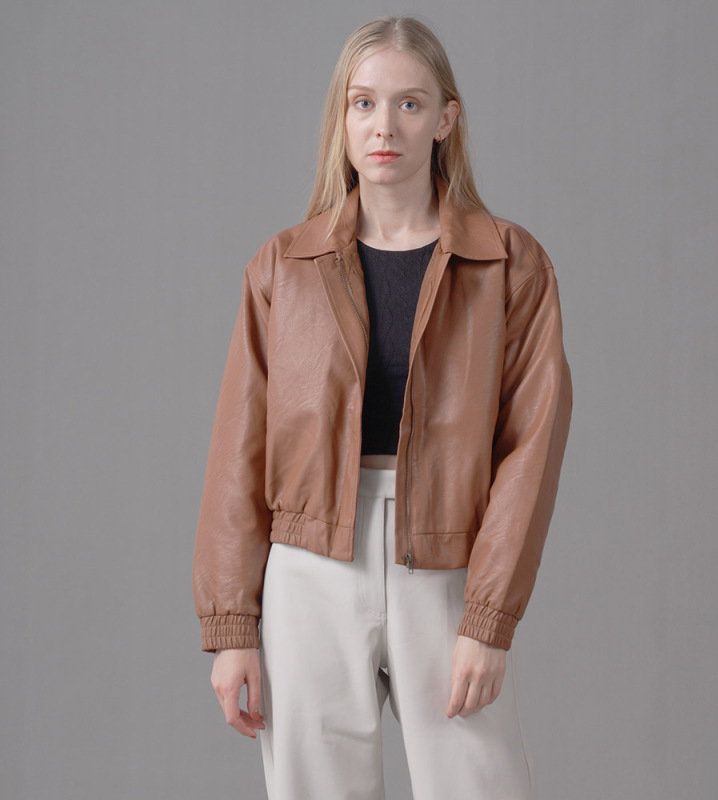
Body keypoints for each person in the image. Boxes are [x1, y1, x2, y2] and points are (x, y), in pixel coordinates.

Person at [192, 14, 573, 800]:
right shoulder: (283, 267)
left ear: (445, 119)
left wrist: (489, 620)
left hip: (448, 558)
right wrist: (232, 629)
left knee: (482, 785)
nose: (384, 126)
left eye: (409, 103)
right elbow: (238, 451)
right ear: (341, 118)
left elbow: (531, 448)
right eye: (363, 103)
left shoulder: (509, 264)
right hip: (309, 564)